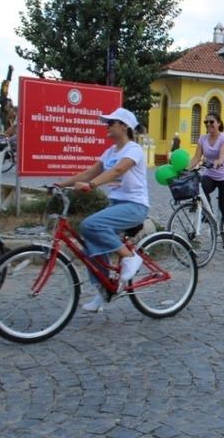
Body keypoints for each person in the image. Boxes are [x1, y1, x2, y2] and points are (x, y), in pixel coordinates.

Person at [53, 108, 149, 312]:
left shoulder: (133, 149)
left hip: (135, 206)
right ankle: (104, 291)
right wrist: (61, 184)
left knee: (90, 225)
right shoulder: (110, 152)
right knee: (90, 243)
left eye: (110, 122)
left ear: (124, 126)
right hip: (116, 205)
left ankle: (130, 257)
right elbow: (89, 172)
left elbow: (118, 170)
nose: (106, 126)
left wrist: (92, 186)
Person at [190, 112, 224, 248]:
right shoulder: (203, 139)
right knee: (200, 190)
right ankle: (207, 214)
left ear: (219, 123)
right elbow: (196, 157)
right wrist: (187, 169)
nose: (209, 124)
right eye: (206, 122)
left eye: (211, 122)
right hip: (210, 174)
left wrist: (219, 161)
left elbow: (223, 153)